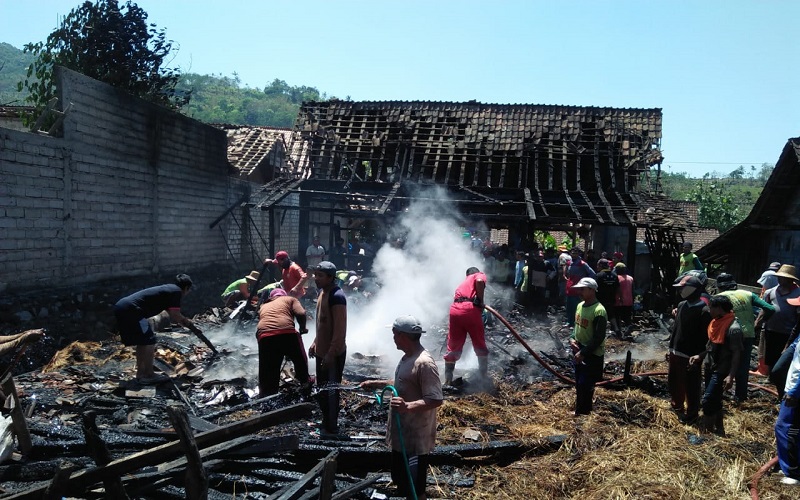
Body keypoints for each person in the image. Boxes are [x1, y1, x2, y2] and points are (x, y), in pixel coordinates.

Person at [360, 316, 444, 500]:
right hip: (402, 435)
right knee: (401, 479)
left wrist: (408, 406)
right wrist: (376, 383)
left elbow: (436, 399)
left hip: (415, 439)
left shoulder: (425, 363)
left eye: (394, 334)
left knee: (415, 487)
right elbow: (403, 381)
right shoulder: (408, 357)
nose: (393, 338)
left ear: (403, 335)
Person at [113, 274, 199, 384]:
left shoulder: (169, 289)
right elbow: (175, 314)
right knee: (149, 340)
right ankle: (148, 374)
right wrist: (187, 322)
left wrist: (183, 322)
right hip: (132, 310)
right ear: (186, 288)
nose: (188, 293)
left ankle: (141, 374)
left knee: (143, 341)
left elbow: (173, 314)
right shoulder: (176, 292)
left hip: (122, 307)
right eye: (189, 290)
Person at [715, 273, 775, 402]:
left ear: (719, 286)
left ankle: (717, 394)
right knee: (742, 367)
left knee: (723, 364)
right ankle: (740, 398)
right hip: (747, 334)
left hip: (728, 335)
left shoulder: (719, 297)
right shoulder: (747, 294)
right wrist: (759, 323)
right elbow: (770, 308)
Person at [690, 295, 743, 435]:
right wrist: (700, 356)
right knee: (715, 399)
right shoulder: (715, 323)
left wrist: (731, 376)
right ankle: (719, 430)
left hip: (721, 370)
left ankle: (706, 434)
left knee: (707, 401)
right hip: (710, 366)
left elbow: (737, 354)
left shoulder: (733, 328)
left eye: (711, 307)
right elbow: (710, 347)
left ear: (719, 309)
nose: (709, 310)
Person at [308, 261, 348, 437]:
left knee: (331, 392)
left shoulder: (337, 296)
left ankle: (332, 428)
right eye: (315, 274)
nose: (316, 278)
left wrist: (331, 353)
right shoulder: (322, 293)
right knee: (322, 390)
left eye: (320, 275)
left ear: (331, 277)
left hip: (333, 354)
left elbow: (340, 330)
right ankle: (325, 422)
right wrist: (315, 343)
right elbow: (322, 323)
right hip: (322, 351)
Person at [668, 275, 711, 423]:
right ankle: (677, 405)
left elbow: (708, 338)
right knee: (674, 381)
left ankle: (692, 413)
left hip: (691, 355)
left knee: (691, 386)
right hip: (676, 351)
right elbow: (676, 329)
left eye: (682, 288)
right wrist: (671, 348)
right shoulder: (681, 305)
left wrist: (701, 355)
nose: (680, 291)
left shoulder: (704, 311)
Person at [255, 288, 309, 397]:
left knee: (268, 369)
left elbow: (262, 325)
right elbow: (301, 313)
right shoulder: (290, 299)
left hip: (264, 336)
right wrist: (303, 328)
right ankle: (305, 383)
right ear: (283, 295)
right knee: (300, 360)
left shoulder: (263, 306)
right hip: (287, 332)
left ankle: (267, 396)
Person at [760, 265, 800, 398]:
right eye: (780, 277)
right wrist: (759, 323)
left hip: (788, 331)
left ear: (790, 280)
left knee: (784, 355)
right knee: (770, 353)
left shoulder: (797, 293)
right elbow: (764, 309)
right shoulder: (771, 292)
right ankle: (771, 376)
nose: (780, 280)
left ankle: (782, 378)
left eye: (784, 278)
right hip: (772, 328)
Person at [443, 267, 488, 385]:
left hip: (454, 310)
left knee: (453, 345)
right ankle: (484, 378)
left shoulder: (462, 284)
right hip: (469, 310)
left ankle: (447, 380)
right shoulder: (478, 275)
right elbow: (479, 281)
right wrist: (480, 300)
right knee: (479, 342)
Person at [568, 277, 606, 415]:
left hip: (591, 354)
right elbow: (576, 327)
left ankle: (584, 413)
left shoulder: (599, 311)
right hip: (579, 349)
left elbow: (598, 338)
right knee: (579, 383)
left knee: (586, 384)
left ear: (592, 290)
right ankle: (580, 411)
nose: (579, 292)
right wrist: (572, 339)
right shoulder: (580, 306)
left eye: (582, 289)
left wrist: (583, 352)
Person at [775, 336, 800, 485]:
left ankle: (793, 472)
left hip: (796, 390)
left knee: (787, 428)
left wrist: (794, 392)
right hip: (793, 386)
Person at [565, 247, 596, 328]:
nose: (574, 255)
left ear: (578, 254)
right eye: (572, 253)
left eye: (576, 253)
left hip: (578, 290)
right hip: (569, 288)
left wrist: (586, 284)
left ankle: (576, 323)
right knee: (569, 306)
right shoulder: (569, 263)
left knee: (576, 307)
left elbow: (592, 274)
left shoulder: (582, 263)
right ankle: (569, 322)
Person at [595, 259, 621, 338]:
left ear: (601, 266)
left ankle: (599, 331)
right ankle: (616, 329)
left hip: (600, 299)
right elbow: (618, 288)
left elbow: (595, 288)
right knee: (611, 314)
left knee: (600, 315)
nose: (597, 267)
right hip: (611, 298)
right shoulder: (615, 275)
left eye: (598, 265)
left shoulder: (599, 275)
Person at [614, 263, 635, 334]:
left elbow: (615, 290)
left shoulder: (616, 278)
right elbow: (633, 291)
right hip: (629, 301)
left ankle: (619, 331)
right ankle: (628, 327)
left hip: (619, 301)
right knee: (627, 317)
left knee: (617, 317)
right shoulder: (630, 278)